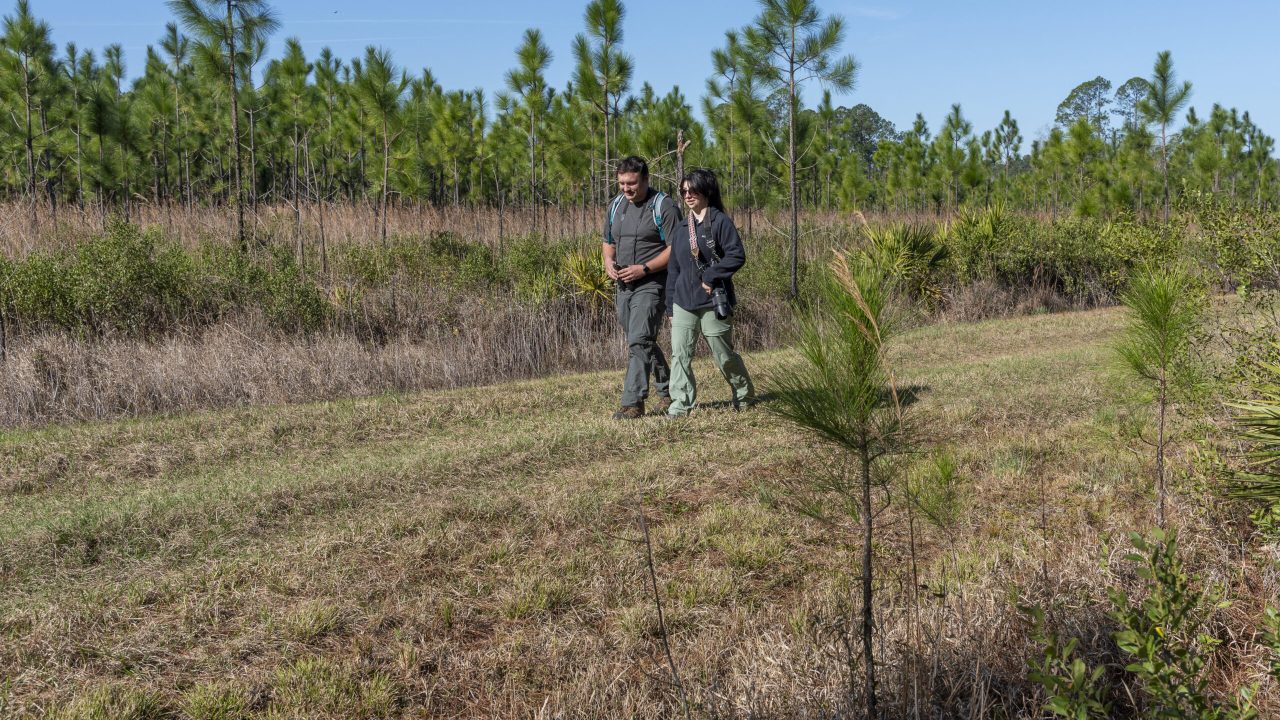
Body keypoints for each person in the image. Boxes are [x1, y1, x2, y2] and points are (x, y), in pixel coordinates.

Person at [664, 168, 755, 417]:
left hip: (713, 300)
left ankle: (744, 395)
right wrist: (670, 305)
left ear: (707, 191)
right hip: (683, 302)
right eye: (684, 191)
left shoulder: (720, 222)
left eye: (692, 190)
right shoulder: (682, 228)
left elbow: (737, 255)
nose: (687, 195)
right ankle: (680, 405)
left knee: (723, 354)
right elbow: (674, 269)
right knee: (680, 354)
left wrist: (711, 276)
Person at [603, 156, 682, 419]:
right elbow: (608, 241)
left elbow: (675, 248)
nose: (626, 188)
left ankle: (632, 403)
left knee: (639, 340)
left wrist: (645, 268)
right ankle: (668, 391)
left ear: (646, 179)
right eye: (622, 183)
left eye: (632, 183)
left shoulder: (664, 206)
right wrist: (608, 262)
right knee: (641, 340)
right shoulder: (616, 205)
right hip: (624, 285)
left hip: (653, 283)